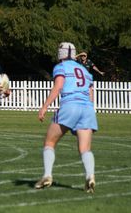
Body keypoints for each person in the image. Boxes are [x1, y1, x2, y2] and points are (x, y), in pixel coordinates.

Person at [35, 42, 98, 193]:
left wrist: (44, 107)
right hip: (88, 108)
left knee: (49, 141)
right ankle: (90, 176)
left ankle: (47, 175)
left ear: (61, 54)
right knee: (85, 148)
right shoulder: (84, 70)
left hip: (70, 105)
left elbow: (58, 87)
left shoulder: (60, 67)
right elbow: (90, 94)